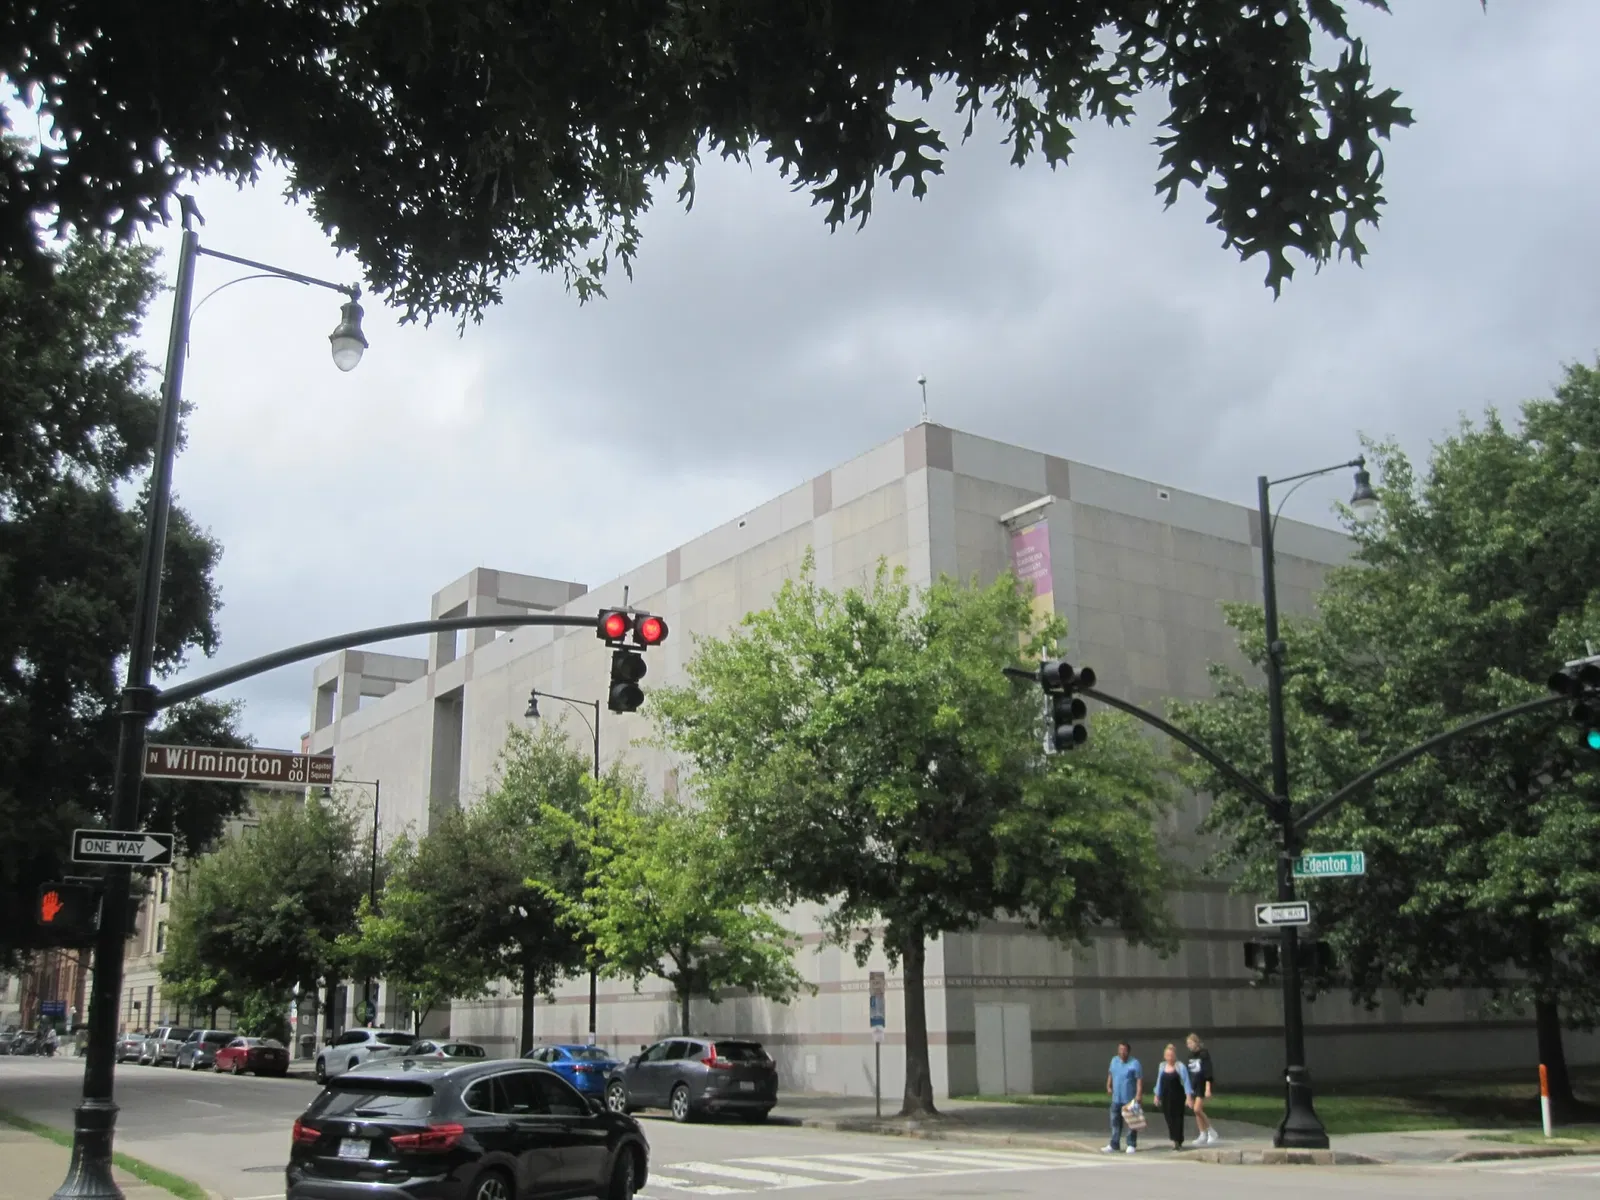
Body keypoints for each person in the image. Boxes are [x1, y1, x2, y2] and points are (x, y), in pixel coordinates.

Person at [1101, 1040, 1143, 1154]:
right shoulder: (1114, 1061)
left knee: (1132, 1122)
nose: (1122, 1052)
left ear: (1128, 1052)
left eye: (1124, 1050)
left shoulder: (1134, 1063)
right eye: (1120, 1050)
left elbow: (1139, 1080)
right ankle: (1114, 1144)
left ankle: (1131, 1144)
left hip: (1129, 1098)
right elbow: (1111, 1074)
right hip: (1116, 1098)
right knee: (1115, 1122)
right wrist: (1108, 1085)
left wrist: (1139, 1094)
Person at [1153, 1043, 1194, 1149]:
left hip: (1178, 1096)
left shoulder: (1180, 1066)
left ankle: (1178, 1140)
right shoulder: (1162, 1066)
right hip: (1166, 1096)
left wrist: (1188, 1097)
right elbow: (1159, 1081)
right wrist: (1157, 1095)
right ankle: (1174, 1137)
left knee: (1178, 1118)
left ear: (1175, 1055)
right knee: (1169, 1118)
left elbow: (1186, 1081)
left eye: (1171, 1055)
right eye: (1167, 1055)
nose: (1169, 1057)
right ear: (1164, 1056)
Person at [1186, 1032, 1218, 1145]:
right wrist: (1188, 1092)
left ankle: (1211, 1131)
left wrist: (1208, 1088)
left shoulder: (1204, 1054)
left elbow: (1208, 1072)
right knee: (1196, 1112)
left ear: (1196, 1042)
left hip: (1202, 1085)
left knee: (1197, 1109)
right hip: (1193, 1085)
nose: (1189, 1045)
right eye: (1187, 1044)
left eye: (1190, 1043)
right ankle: (1202, 1133)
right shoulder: (1189, 1056)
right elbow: (1188, 1073)